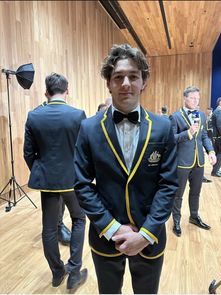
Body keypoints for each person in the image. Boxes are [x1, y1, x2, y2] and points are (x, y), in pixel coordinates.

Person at [74, 44, 178, 294]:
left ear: (144, 82)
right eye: (118, 77)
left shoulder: (163, 127)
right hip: (105, 236)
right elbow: (82, 184)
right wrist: (112, 228)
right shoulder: (89, 128)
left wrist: (145, 233)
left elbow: (169, 185)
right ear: (108, 83)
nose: (126, 83)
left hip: (150, 237)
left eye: (133, 76)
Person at [23, 73, 87, 290]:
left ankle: (57, 272)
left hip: (48, 182)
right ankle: (74, 271)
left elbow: (28, 153)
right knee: (79, 219)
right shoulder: (78, 115)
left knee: (49, 229)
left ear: (46, 93)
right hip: (73, 179)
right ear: (67, 91)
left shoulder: (34, 116)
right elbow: (84, 150)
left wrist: (43, 172)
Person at [170, 86, 216, 237]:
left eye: (198, 98)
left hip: (199, 162)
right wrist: (188, 133)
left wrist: (211, 151)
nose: (196, 101)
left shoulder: (202, 115)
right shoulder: (175, 116)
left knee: (196, 192)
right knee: (178, 194)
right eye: (193, 98)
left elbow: (204, 137)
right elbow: (171, 140)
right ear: (185, 98)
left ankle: (194, 216)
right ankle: (176, 221)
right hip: (182, 162)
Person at [35, 101, 72, 245]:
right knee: (52, 205)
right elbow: (30, 150)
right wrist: (39, 170)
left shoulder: (67, 113)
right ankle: (57, 227)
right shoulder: (37, 113)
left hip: (64, 167)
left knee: (62, 200)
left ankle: (59, 225)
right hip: (48, 168)